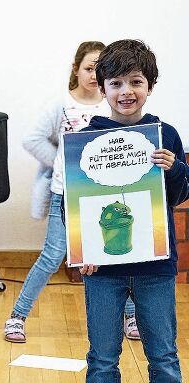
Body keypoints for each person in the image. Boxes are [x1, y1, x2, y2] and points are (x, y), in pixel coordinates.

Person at [5, 41, 140, 343]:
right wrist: (60, 159)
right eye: (89, 68)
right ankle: (17, 316)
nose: (94, 75)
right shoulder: (61, 104)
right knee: (53, 255)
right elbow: (32, 139)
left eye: (100, 69)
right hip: (65, 192)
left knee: (117, 254)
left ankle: (130, 316)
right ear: (76, 69)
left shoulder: (113, 103)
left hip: (105, 194)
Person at [78, 39, 187, 383]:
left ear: (150, 86)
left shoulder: (164, 134)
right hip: (102, 268)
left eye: (136, 82)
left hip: (154, 264)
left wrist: (176, 169)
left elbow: (178, 196)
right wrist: (82, 250)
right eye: (116, 83)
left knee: (163, 355)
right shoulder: (85, 139)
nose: (126, 91)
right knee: (102, 358)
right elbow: (75, 204)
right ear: (103, 88)